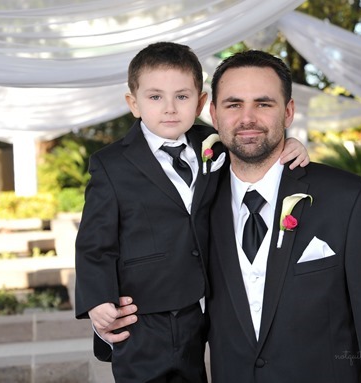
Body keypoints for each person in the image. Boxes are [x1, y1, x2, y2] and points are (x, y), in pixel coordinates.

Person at [74, 42, 308, 383]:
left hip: (200, 305)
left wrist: (291, 144)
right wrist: (97, 302)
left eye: (182, 97)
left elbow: (255, 147)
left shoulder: (212, 144)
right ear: (133, 104)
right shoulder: (110, 165)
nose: (169, 109)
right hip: (144, 310)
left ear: (200, 103)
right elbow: (94, 243)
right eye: (155, 97)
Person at [204, 50, 361, 382]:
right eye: (233, 104)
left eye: (263, 103)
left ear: (288, 111)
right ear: (214, 114)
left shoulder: (351, 200)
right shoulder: (198, 204)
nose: (247, 118)